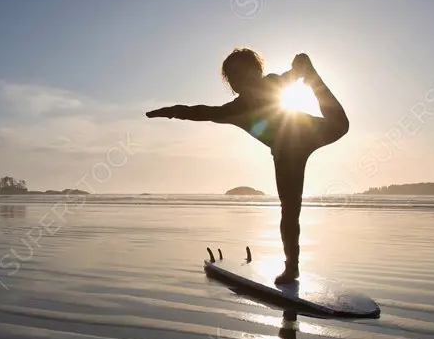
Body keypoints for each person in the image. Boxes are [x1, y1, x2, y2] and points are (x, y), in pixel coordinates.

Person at [146, 49, 349, 283]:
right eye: (232, 77)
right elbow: (203, 112)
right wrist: (174, 111)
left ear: (256, 70)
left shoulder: (273, 82)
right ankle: (291, 268)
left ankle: (314, 78)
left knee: (340, 124)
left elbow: (291, 75)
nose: (237, 80)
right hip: (285, 155)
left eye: (241, 72)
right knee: (290, 211)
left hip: (307, 132)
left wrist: (302, 68)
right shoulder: (237, 109)